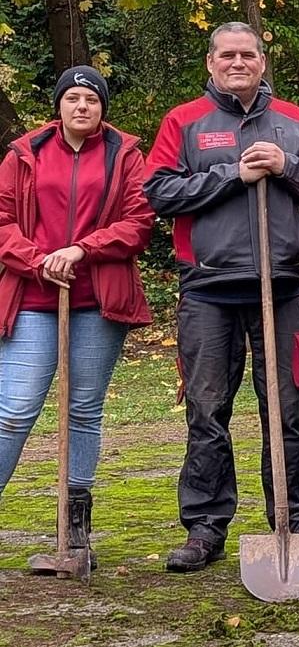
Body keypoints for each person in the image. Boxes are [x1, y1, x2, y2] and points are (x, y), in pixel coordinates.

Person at [144, 22, 299, 572]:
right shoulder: (184, 122)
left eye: (247, 54)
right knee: (208, 409)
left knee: (287, 405)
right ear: (211, 63)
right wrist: (233, 173)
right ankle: (205, 526)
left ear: (261, 60)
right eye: (227, 55)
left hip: (281, 285)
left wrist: (285, 167)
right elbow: (160, 191)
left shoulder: (296, 123)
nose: (237, 62)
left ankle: (296, 518)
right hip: (209, 287)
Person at [0, 66, 154, 566]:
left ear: (102, 107)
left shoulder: (126, 155)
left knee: (83, 408)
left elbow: (138, 221)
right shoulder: (24, 155)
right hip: (32, 299)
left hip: (97, 300)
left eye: (91, 98)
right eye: (72, 98)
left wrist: (81, 250)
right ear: (58, 106)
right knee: (14, 410)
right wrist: (38, 258)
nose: (82, 106)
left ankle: (75, 527)